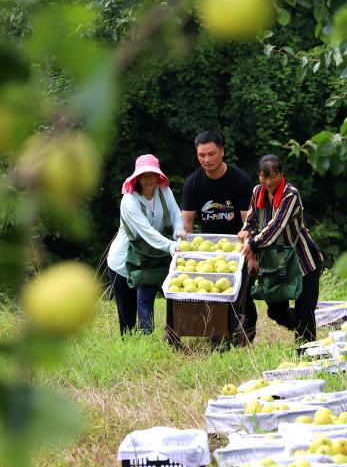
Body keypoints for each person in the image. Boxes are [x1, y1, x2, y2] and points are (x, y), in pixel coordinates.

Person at [181, 130, 258, 343]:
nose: (206, 160)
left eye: (211, 154)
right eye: (201, 155)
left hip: (238, 247)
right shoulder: (193, 183)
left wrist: (251, 255)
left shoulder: (240, 180)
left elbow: (248, 222)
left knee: (242, 293)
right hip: (208, 250)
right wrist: (187, 256)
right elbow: (186, 223)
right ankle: (216, 335)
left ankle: (246, 336)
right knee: (213, 293)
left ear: (222, 152)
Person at [240, 154, 323, 345]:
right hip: (276, 262)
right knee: (275, 311)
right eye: (264, 177)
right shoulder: (257, 191)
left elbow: (276, 226)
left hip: (303, 260)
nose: (269, 182)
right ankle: (301, 326)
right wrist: (246, 231)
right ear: (258, 175)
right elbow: (251, 219)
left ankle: (307, 353)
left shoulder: (290, 194)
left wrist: (252, 243)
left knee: (305, 310)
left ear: (282, 174)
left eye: (273, 176)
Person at [107, 154, 185, 335]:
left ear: (158, 176)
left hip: (150, 258)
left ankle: (147, 341)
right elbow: (147, 233)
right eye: (144, 175)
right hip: (123, 262)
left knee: (145, 302)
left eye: (152, 174)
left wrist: (179, 231)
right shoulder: (129, 200)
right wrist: (172, 246)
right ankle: (130, 351)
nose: (148, 179)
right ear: (137, 178)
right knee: (127, 318)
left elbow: (176, 216)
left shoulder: (164, 191)